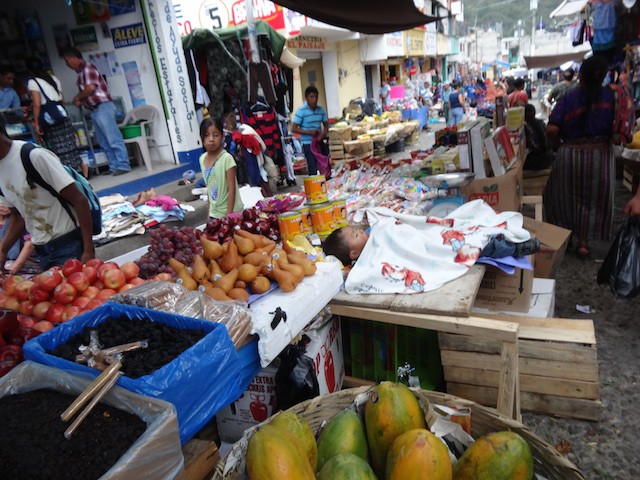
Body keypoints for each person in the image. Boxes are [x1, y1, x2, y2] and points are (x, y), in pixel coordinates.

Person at [0, 115, 95, 270]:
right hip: (42, 252)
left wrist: (88, 250)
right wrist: (3, 250)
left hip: (69, 246)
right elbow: (18, 216)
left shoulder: (33, 156)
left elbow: (80, 200)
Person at [544, 55, 615, 260]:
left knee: (563, 197)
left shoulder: (569, 99)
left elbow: (552, 128)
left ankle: (567, 236)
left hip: (571, 154)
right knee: (594, 199)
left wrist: (560, 145)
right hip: (600, 156)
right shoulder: (612, 98)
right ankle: (584, 242)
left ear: (580, 76)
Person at [62, 47, 131, 176]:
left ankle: (123, 165)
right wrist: (81, 100)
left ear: (74, 58)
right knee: (103, 140)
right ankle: (114, 166)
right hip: (95, 109)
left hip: (103, 107)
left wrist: (78, 97)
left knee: (113, 138)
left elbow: (90, 88)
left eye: (67, 60)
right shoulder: (80, 72)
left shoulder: (87, 68)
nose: (67, 64)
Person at [25, 57, 88, 179]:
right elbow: (62, 99)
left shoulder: (33, 82)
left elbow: (37, 103)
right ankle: (81, 166)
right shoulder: (53, 78)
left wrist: (36, 123)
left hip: (50, 120)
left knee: (59, 149)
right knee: (70, 145)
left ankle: (70, 175)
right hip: (62, 115)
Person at [199, 117, 243, 219]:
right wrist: (209, 213)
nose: (211, 139)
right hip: (214, 214)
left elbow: (232, 189)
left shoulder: (226, 159)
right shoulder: (202, 159)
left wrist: (228, 216)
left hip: (231, 213)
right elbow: (209, 187)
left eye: (215, 135)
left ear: (222, 136)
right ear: (201, 138)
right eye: (206, 135)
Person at [291, 86, 328, 176]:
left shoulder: (320, 110)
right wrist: (309, 132)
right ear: (306, 98)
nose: (314, 100)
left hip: (319, 141)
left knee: (325, 166)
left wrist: (321, 135)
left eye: (316, 97)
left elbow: (326, 126)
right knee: (312, 169)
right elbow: (293, 128)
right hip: (308, 143)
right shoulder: (301, 111)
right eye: (311, 97)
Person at [523, 104, 551, 171]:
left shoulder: (526, 128)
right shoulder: (541, 123)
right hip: (547, 157)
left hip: (536, 162)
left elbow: (532, 147)